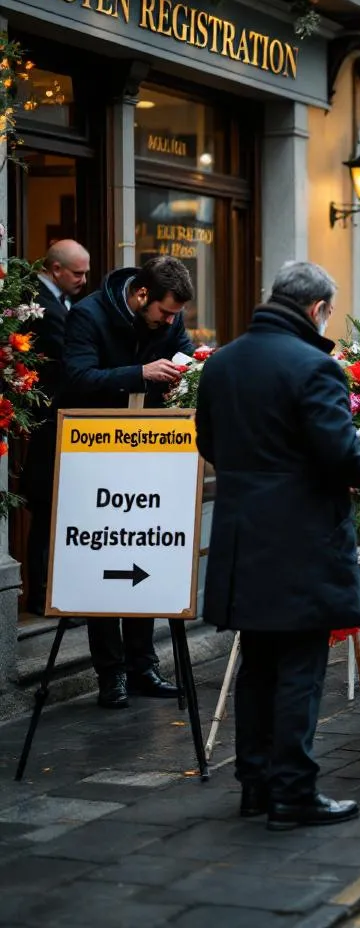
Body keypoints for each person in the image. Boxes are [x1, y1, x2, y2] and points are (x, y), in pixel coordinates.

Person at [197, 261, 360, 830]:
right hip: (301, 539)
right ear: (316, 310)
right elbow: (343, 457)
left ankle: (255, 784)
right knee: (300, 669)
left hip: (240, 536)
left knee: (257, 666)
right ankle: (293, 793)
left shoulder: (224, 361)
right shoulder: (314, 366)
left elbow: (208, 441)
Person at [61, 256, 194, 709]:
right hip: (96, 453)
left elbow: (184, 357)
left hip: (150, 451)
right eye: (165, 313)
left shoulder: (168, 317)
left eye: (176, 315)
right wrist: (140, 373)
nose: (171, 321)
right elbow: (76, 378)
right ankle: (110, 674)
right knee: (106, 562)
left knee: (145, 556)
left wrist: (188, 372)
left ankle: (143, 666)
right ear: (141, 296)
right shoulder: (89, 314)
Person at [21, 239, 91, 615]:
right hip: (49, 424)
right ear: (55, 269)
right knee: (48, 511)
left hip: (55, 422)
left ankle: (48, 595)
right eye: (78, 273)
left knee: (54, 512)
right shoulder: (43, 307)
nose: (84, 279)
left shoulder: (62, 303)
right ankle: (41, 596)